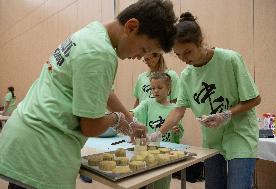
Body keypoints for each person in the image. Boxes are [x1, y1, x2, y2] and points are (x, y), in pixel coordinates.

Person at [0, 0, 177, 188]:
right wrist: (117, 119)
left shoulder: (91, 33)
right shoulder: (100, 53)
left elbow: (102, 91)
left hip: (25, 138)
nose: (141, 57)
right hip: (44, 150)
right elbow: (90, 126)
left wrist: (130, 121)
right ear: (131, 26)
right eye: (143, 49)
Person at [148, 12, 261, 189]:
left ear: (200, 41)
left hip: (240, 135)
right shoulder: (187, 75)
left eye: (188, 52)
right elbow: (179, 110)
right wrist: (158, 133)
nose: (185, 59)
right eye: (178, 55)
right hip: (212, 140)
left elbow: (254, 99)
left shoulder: (230, 59)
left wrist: (227, 114)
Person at [132, 72, 184, 189]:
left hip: (165, 153)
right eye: (153, 88)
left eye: (160, 88)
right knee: (141, 181)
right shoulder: (147, 104)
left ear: (169, 89)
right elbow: (134, 113)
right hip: (147, 151)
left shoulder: (174, 110)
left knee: (162, 183)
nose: (156, 91)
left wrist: (177, 130)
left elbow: (180, 133)